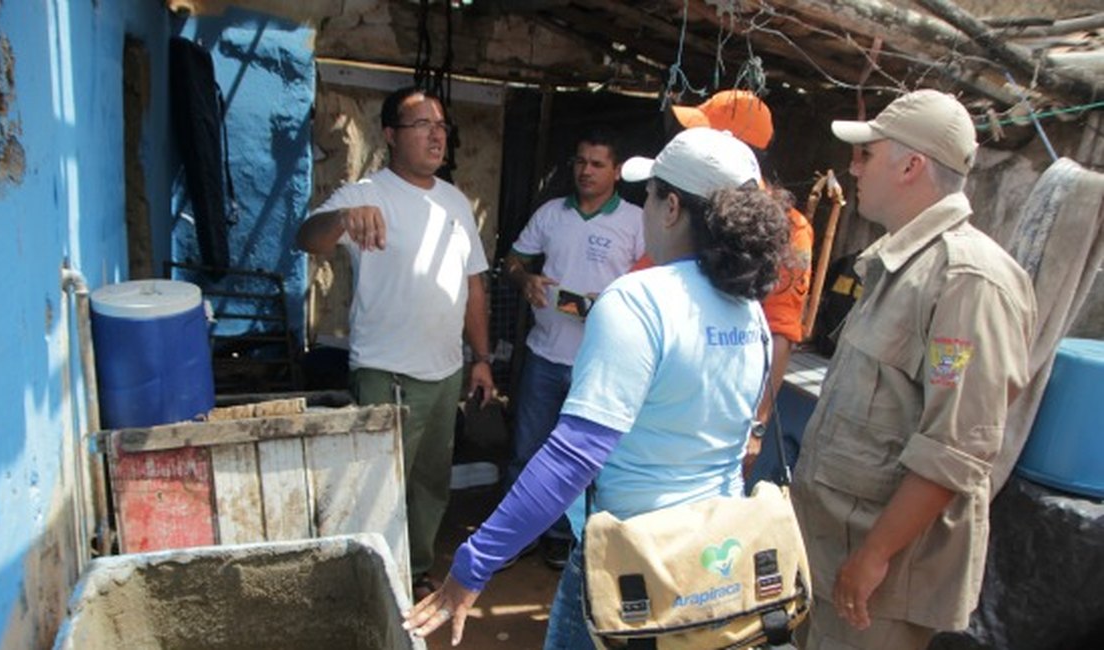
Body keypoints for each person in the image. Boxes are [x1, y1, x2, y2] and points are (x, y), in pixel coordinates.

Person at [403, 127, 791, 648]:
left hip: (631, 564)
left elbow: (572, 458)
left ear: (671, 207)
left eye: (648, 195)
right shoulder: (750, 313)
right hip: (711, 562)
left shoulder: (638, 300)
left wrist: (475, 563)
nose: (644, 207)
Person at [790, 89, 1036, 650]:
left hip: (880, 578)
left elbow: (959, 445)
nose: (853, 168)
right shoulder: (903, 266)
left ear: (911, 166)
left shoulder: (968, 280)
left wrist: (875, 554)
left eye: (866, 155)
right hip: (836, 551)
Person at [296, 86, 494, 602]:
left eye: (441, 126)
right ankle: (369, 581)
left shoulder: (455, 200)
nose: (436, 134)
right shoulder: (367, 194)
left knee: (429, 485)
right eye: (422, 125)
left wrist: (482, 360)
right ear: (390, 135)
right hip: (386, 371)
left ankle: (417, 568)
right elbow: (307, 237)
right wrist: (341, 219)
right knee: (376, 485)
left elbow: (473, 284)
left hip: (445, 371)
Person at [502, 128, 644, 569]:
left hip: (600, 365)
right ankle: (521, 531)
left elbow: (650, 286)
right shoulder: (551, 213)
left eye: (597, 163)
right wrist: (524, 279)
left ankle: (563, 536)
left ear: (617, 172)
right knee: (528, 449)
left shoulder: (636, 221)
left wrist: (612, 309)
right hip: (545, 354)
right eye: (581, 161)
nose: (586, 171)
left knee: (586, 458)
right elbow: (513, 260)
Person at [669, 89, 814, 485]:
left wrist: (758, 425)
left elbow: (782, 330)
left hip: (723, 409)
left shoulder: (790, 229)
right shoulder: (688, 203)